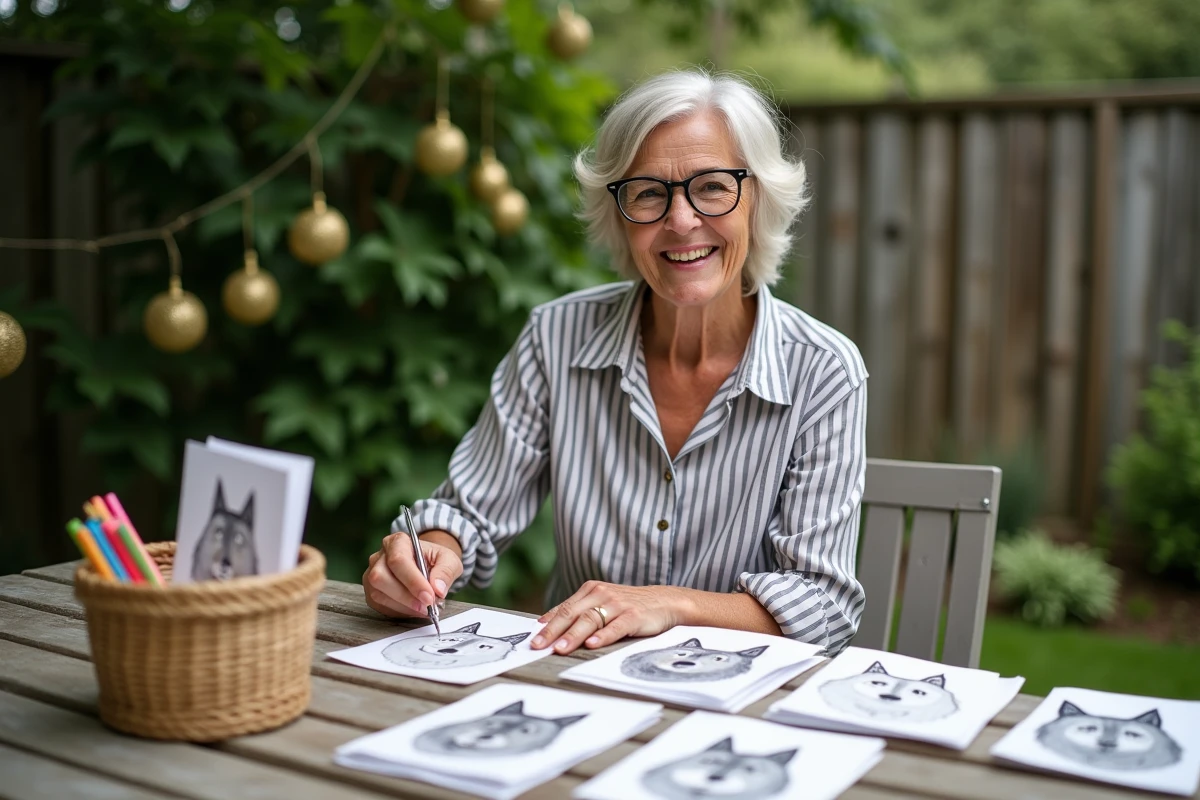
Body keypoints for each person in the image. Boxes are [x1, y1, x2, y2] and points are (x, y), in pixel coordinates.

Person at [363, 69, 868, 657]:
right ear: (621, 215)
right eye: (649, 192)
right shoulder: (556, 337)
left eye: (711, 186)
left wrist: (667, 603)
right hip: (573, 678)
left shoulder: (824, 371)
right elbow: (470, 509)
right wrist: (429, 552)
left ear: (757, 199)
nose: (680, 221)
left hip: (741, 704)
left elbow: (823, 604)